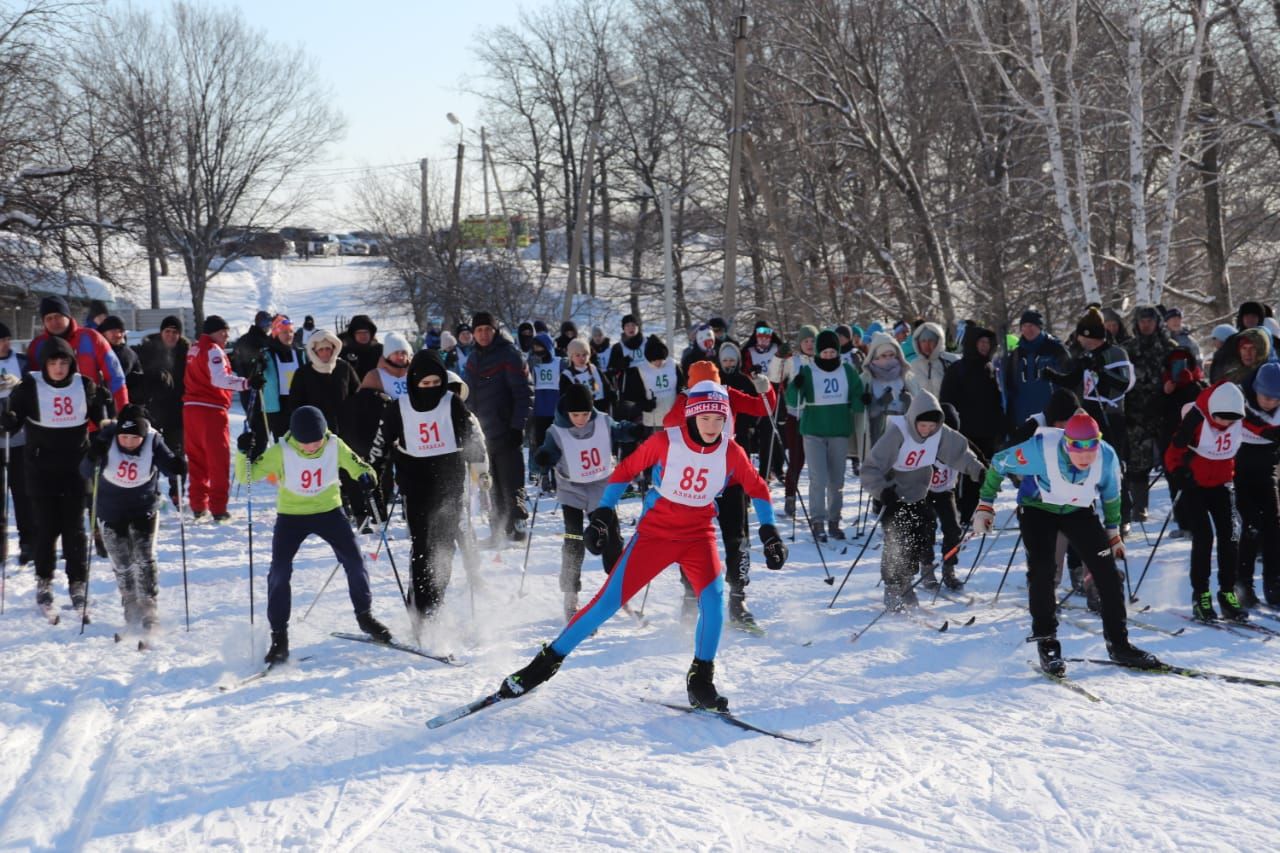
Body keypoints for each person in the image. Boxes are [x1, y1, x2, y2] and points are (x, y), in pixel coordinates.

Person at [495, 381, 788, 710]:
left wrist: (769, 531)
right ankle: (543, 665)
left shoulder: (730, 451)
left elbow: (758, 487)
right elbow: (626, 470)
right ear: (692, 416)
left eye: (719, 419)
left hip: (698, 535)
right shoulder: (667, 441)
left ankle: (701, 679)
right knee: (606, 603)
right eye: (705, 418)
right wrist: (604, 513)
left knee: (714, 602)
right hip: (656, 534)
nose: (712, 426)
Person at [972, 409, 1160, 675]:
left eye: (1091, 449)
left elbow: (1111, 495)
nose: (1085, 457)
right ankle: (1047, 642)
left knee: (1107, 573)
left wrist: (1113, 533)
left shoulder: (1106, 456)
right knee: (1043, 571)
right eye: (1077, 449)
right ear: (1066, 444)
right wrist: (985, 505)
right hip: (1038, 509)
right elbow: (1000, 463)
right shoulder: (1041, 449)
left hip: (1078, 511)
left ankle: (1119, 645)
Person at [237, 405, 393, 663]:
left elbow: (361, 467)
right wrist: (243, 452)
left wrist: (367, 478)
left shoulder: (334, 444)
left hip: (329, 511)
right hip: (291, 516)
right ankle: (280, 637)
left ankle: (365, 617)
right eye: (305, 442)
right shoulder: (281, 451)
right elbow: (247, 477)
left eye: (316, 440)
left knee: (355, 561)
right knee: (279, 571)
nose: (311, 447)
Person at [379, 351, 485, 632]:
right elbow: (380, 444)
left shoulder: (452, 403)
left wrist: (480, 469)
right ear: (414, 383)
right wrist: (370, 473)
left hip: (449, 483)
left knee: (444, 550)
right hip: (415, 485)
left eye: (436, 383)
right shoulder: (398, 407)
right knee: (423, 549)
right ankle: (419, 610)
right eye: (424, 384)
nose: (430, 389)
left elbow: (473, 437)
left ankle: (432, 610)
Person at [1, 337, 109, 616]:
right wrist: (8, 419)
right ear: (45, 364)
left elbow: (103, 419)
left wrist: (105, 415)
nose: (59, 368)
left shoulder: (84, 385)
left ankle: (77, 582)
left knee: (75, 528)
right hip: (40, 468)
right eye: (53, 363)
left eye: (64, 362)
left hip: (76, 467)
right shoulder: (29, 387)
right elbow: (13, 424)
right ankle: (44, 580)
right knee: (46, 527)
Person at [860, 390, 985, 610]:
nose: (927, 430)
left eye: (932, 426)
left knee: (919, 540)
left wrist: (979, 471)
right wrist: (882, 491)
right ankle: (892, 588)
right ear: (913, 419)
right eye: (923, 425)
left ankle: (906, 583)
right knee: (897, 541)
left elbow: (960, 454)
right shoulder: (898, 432)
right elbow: (870, 468)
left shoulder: (940, 433)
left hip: (919, 494)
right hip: (893, 496)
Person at [532, 382, 634, 621]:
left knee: (611, 541)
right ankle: (571, 595)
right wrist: (541, 460)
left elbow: (620, 430)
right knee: (574, 540)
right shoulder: (556, 431)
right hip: (572, 489)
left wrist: (633, 431)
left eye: (585, 414)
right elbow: (541, 457)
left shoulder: (602, 421)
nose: (580, 419)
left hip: (601, 487)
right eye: (575, 414)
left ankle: (618, 592)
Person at [82, 405, 185, 636]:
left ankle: (149, 607)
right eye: (124, 437)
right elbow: (85, 472)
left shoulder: (153, 440)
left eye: (134, 438)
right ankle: (130, 604)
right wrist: (92, 455)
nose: (128, 442)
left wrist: (178, 465)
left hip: (143, 507)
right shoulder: (107, 437)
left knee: (144, 557)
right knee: (122, 561)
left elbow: (170, 465)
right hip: (110, 509)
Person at [1164, 381, 1253, 621]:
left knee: (1231, 534)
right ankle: (1200, 595)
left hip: (1222, 484)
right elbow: (1173, 453)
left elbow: (1261, 428)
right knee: (1204, 536)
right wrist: (1179, 473)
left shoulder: (1238, 419)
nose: (1226, 423)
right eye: (1222, 418)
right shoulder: (1195, 419)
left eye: (1232, 419)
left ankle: (1226, 592)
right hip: (1195, 486)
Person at [785, 329, 864, 542]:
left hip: (839, 432)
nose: (828, 355)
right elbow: (792, 400)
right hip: (813, 432)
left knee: (836, 481)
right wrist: (796, 385)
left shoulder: (847, 370)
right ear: (818, 352)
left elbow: (857, 396)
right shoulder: (809, 371)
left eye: (832, 351)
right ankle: (817, 520)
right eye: (825, 351)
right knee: (818, 479)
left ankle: (834, 521)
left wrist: (862, 400)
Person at [463, 311, 533, 546]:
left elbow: (524, 394)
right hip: (483, 433)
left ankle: (518, 525)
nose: (483, 334)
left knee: (512, 483)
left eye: (487, 330)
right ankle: (497, 530)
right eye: (479, 330)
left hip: (507, 429)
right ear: (473, 333)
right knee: (490, 484)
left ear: (495, 331)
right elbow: (467, 395)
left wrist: (517, 426)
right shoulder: (473, 359)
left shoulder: (509, 355)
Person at [184, 315, 257, 523]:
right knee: (218, 460)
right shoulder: (213, 349)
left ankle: (198, 504)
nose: (226, 335)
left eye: (226, 331)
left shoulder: (195, 348)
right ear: (211, 333)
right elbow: (219, 379)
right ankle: (218, 508)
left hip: (190, 409)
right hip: (210, 409)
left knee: (197, 459)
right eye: (222, 331)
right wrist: (246, 383)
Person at [939, 324, 1004, 521]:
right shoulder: (958, 369)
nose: (985, 346)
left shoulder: (991, 368)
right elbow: (946, 400)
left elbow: (997, 400)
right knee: (965, 475)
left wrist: (1001, 426)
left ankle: (980, 510)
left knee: (983, 473)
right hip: (964, 432)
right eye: (981, 342)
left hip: (987, 432)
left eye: (988, 343)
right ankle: (965, 512)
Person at [27, 295, 129, 413]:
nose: (54, 322)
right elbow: (31, 384)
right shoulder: (37, 346)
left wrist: (123, 412)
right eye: (49, 318)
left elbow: (115, 377)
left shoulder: (91, 338)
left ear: (68, 316)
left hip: (92, 419)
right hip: (53, 420)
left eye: (58, 316)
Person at [1237, 363, 1280, 607]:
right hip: (1238, 476)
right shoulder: (1240, 403)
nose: (1270, 403)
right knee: (1251, 526)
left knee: (1274, 527)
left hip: (1266, 475)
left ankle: (1274, 582)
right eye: (1266, 397)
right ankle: (1243, 583)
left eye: (1276, 399)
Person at [135, 315, 189, 504]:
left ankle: (177, 491)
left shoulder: (186, 352)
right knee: (150, 452)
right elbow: (138, 376)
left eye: (175, 332)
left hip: (177, 410)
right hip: (154, 409)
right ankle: (151, 491)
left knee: (177, 453)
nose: (171, 336)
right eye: (168, 331)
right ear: (161, 332)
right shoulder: (149, 350)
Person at [769, 324, 817, 517]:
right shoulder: (793, 361)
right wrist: (778, 357)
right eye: (806, 341)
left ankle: (818, 502)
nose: (809, 344)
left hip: (817, 416)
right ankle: (790, 497)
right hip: (795, 415)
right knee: (796, 459)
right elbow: (774, 376)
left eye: (813, 341)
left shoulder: (824, 360)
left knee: (816, 462)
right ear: (800, 343)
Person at [923, 403, 970, 590]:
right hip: (925, 492)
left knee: (953, 529)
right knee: (927, 528)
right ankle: (926, 567)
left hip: (946, 491)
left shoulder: (958, 444)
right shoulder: (926, 442)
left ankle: (949, 568)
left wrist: (984, 473)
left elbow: (972, 460)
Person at [1001, 309, 1069, 433]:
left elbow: (1069, 380)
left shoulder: (1055, 349)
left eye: (1031, 325)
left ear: (1039, 327)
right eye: (1024, 326)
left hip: (1052, 416)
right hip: (1024, 418)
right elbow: (1009, 389)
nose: (1028, 329)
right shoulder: (1015, 355)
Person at [0, 322, 34, 564]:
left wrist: (19, 387)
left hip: (19, 437)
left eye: (5, 339)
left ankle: (28, 541)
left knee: (21, 491)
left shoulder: (21, 362)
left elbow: (34, 390)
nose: (3, 344)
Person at [287, 329, 361, 431]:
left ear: (334, 349)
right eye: (321, 350)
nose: (325, 352)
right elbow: (296, 402)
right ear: (314, 352)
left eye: (328, 349)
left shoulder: (344, 368)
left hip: (345, 426)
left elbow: (357, 392)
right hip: (316, 428)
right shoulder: (303, 373)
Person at [858, 331, 920, 452]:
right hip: (877, 434)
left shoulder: (907, 377)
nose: (888, 359)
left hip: (903, 434)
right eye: (884, 356)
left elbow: (917, 410)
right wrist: (880, 403)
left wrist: (909, 402)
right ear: (875, 357)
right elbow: (863, 415)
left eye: (891, 355)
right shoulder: (867, 379)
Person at [261, 315, 304, 440]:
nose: (288, 335)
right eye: (284, 332)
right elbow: (255, 375)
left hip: (298, 402)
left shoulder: (300, 353)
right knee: (282, 441)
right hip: (277, 405)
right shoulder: (267, 355)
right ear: (276, 333)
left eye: (291, 331)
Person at [527, 332, 560, 487]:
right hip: (539, 410)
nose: (537, 350)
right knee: (541, 443)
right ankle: (544, 474)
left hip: (555, 408)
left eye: (540, 346)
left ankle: (558, 474)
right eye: (535, 347)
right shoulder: (532, 362)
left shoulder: (559, 362)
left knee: (557, 443)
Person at [96, 316, 145, 404]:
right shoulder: (94, 351)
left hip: (123, 404)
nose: (118, 335)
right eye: (113, 331)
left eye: (121, 331)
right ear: (104, 333)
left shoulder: (127, 354)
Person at [560, 338, 612, 414]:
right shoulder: (567, 375)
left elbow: (607, 386)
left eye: (584, 354)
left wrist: (612, 396)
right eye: (577, 355)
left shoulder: (594, 369)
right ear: (571, 357)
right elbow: (565, 398)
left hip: (600, 409)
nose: (582, 358)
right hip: (581, 413)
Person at [906, 321, 956, 399]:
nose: (927, 344)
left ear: (938, 341)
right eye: (923, 341)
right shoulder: (913, 366)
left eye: (931, 340)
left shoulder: (951, 361)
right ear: (918, 343)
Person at [358, 332, 412, 400]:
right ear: (388, 356)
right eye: (396, 353)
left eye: (403, 353)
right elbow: (363, 402)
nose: (400, 357)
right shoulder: (374, 376)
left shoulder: (415, 373)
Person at [337, 315, 382, 379]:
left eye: (366, 332)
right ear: (353, 334)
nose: (363, 336)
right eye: (359, 333)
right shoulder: (344, 352)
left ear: (371, 333)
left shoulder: (380, 350)